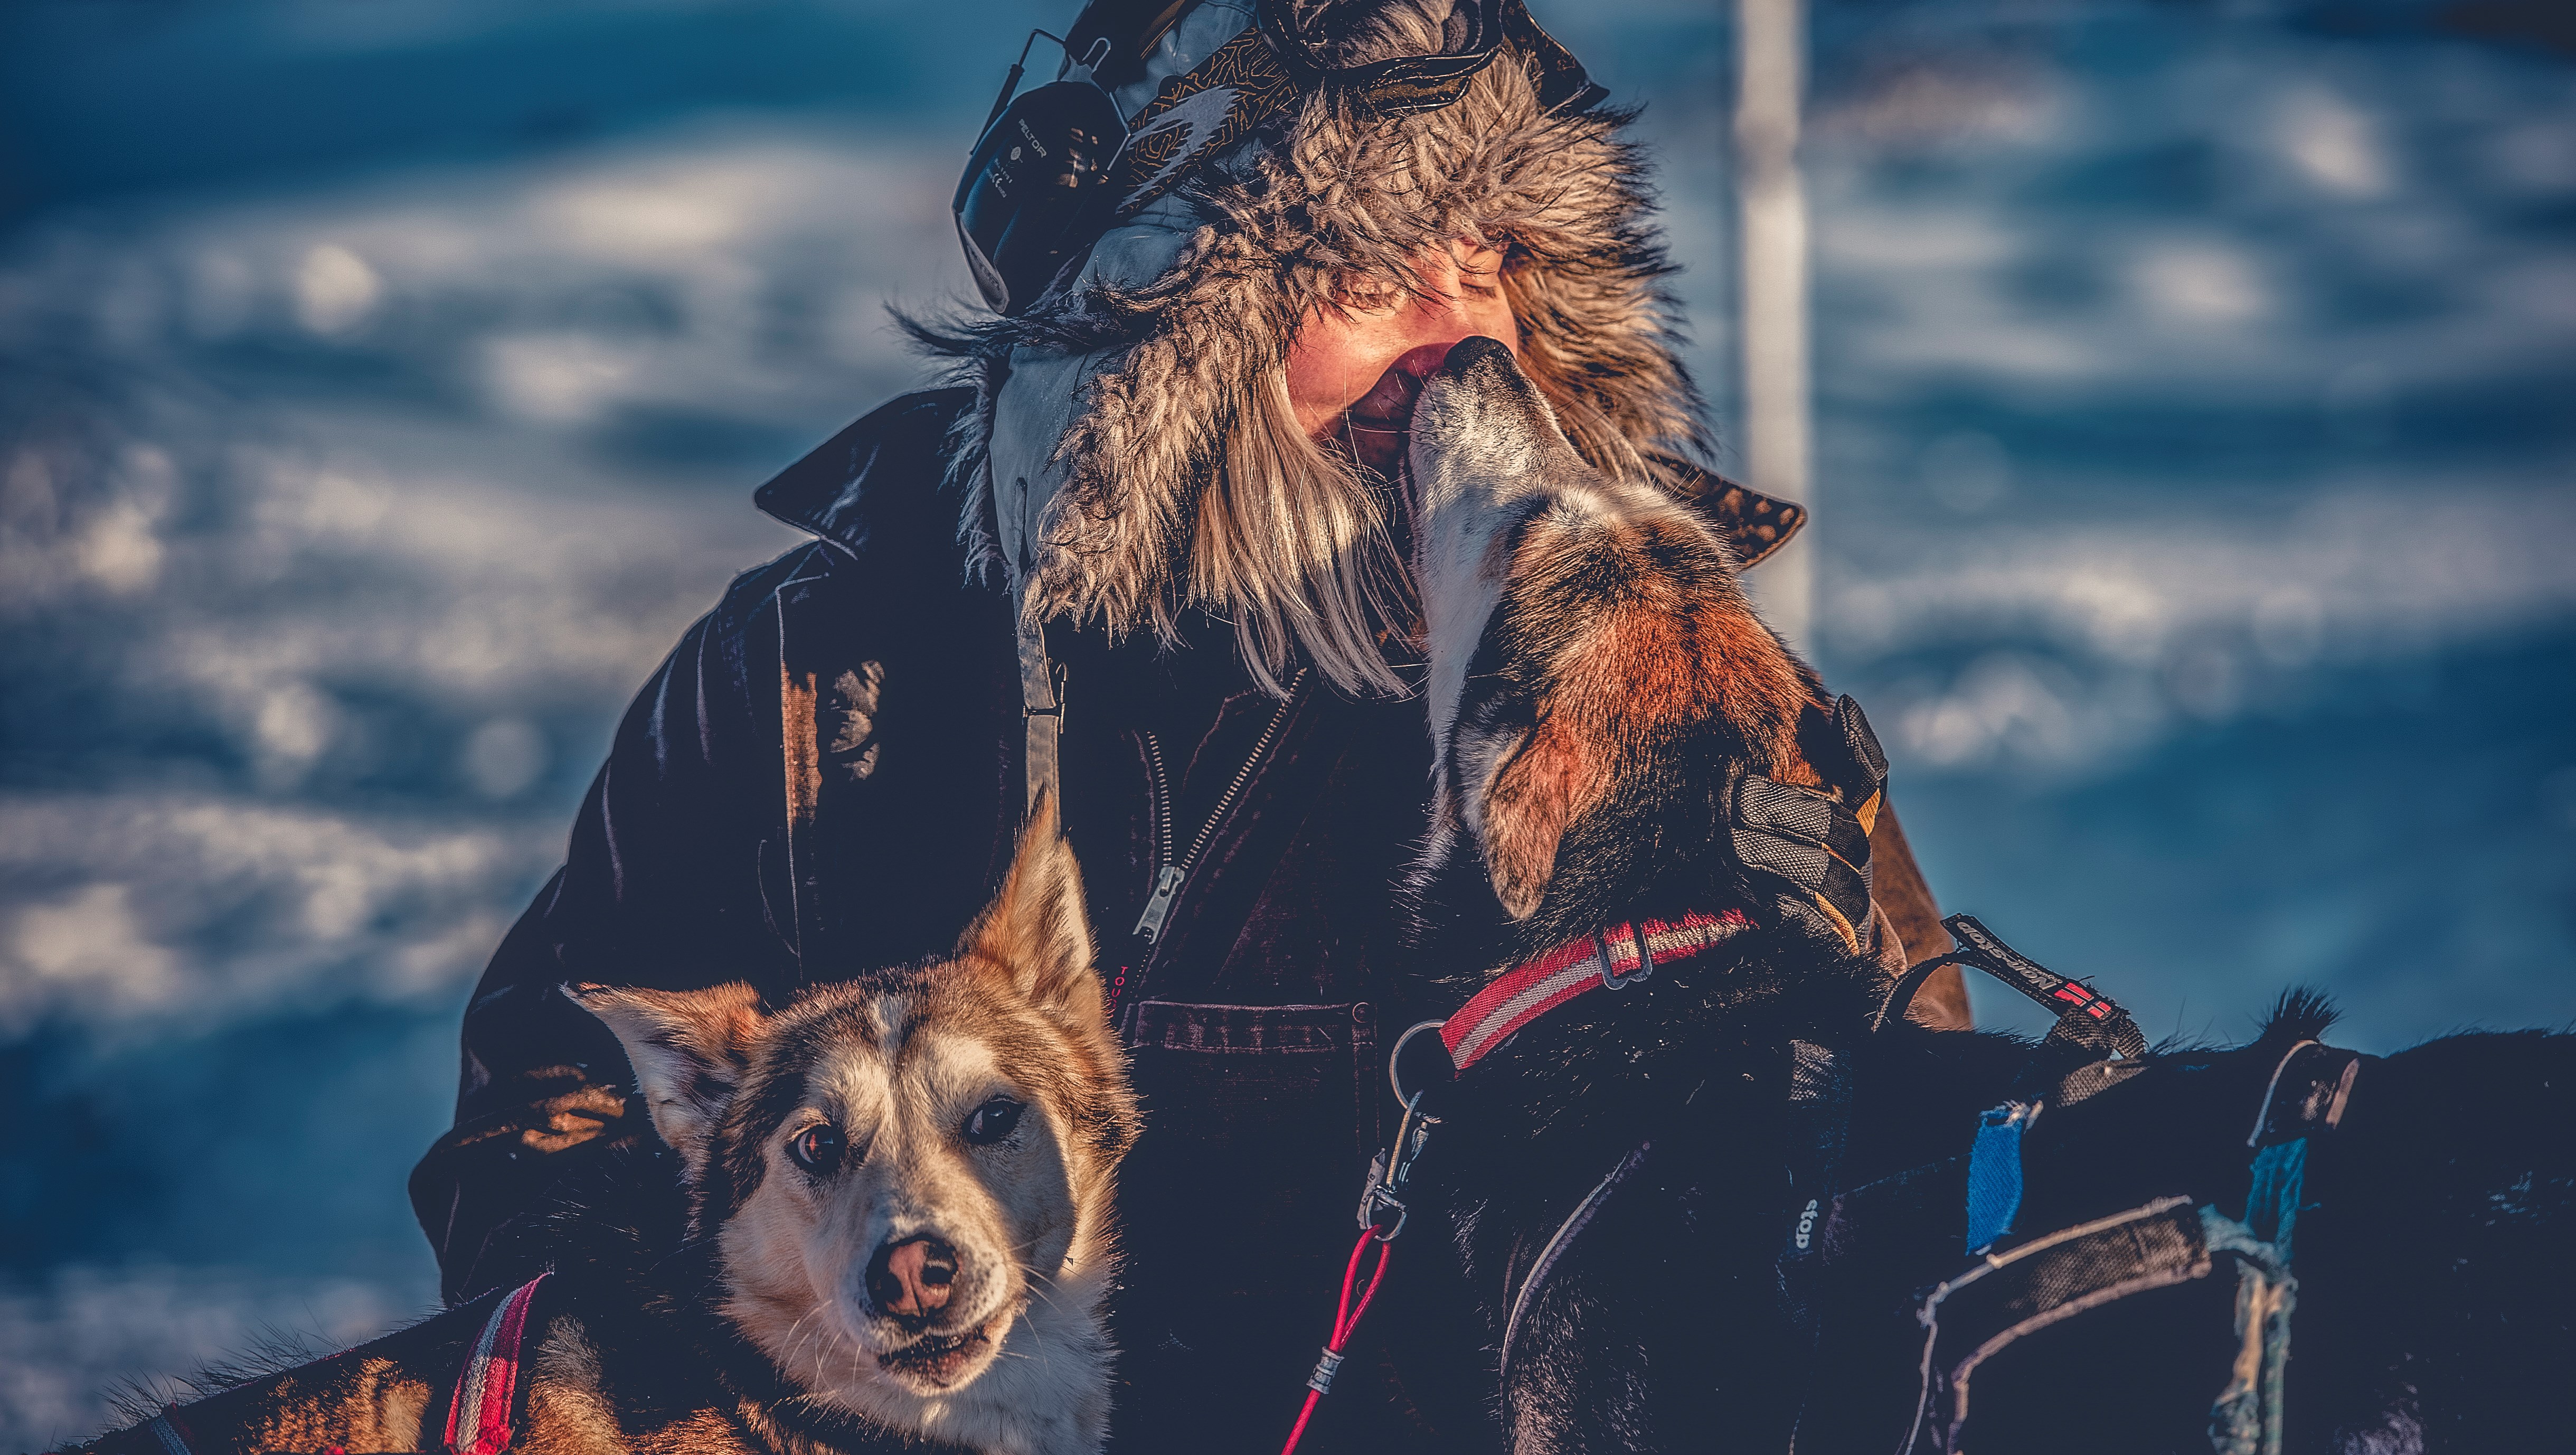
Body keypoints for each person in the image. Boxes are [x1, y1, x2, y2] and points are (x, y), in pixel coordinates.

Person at [408, 1, 1970, 1448]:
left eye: (1487, 259)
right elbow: (549, 1127)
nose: (1459, 340)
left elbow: (1892, 1214)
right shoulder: (824, 679)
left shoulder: (1647, 703)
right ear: (1160, 330)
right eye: (1365, 279)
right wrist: (758, 1376)